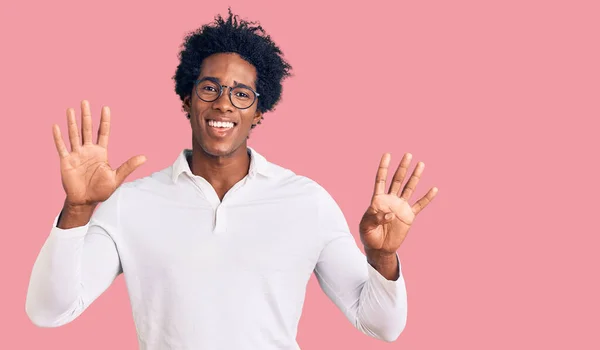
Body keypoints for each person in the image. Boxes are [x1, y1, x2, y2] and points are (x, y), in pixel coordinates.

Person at [25, 9, 438, 350]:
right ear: (187, 99)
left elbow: (381, 325)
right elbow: (48, 311)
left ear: (259, 110)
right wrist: (78, 209)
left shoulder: (306, 202)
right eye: (210, 88)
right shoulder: (133, 203)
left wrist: (381, 258)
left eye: (242, 93)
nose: (224, 102)